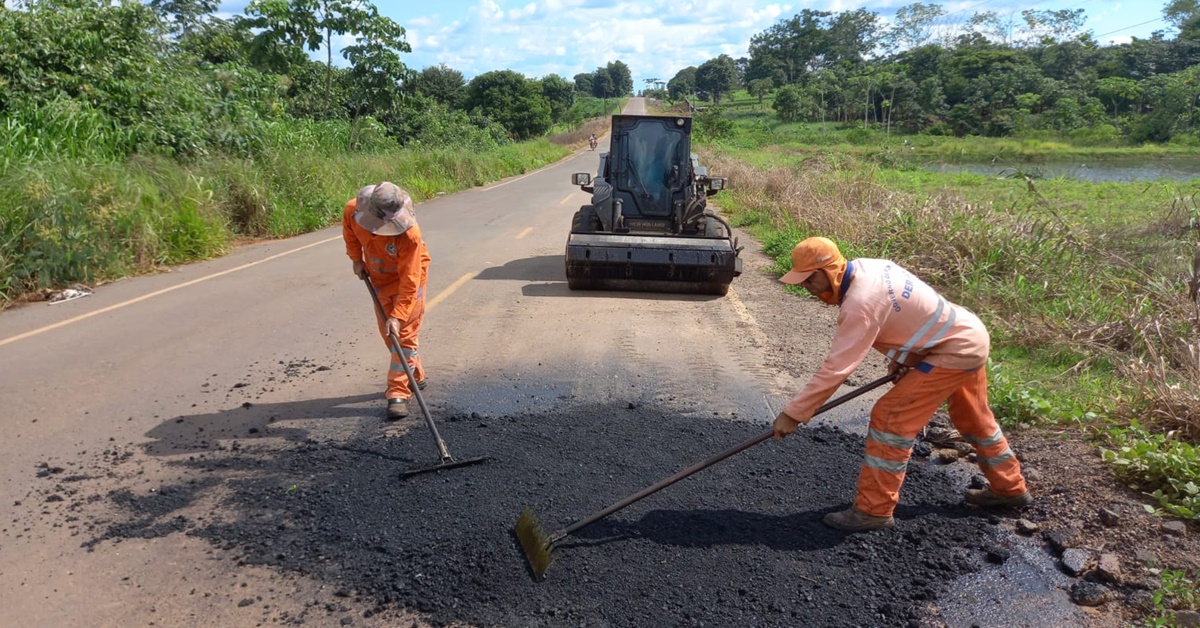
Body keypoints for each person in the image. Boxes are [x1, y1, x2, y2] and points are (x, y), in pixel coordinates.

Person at [771, 236, 1030, 532]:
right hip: (966, 334)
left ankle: (873, 510)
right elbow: (913, 312)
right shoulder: (871, 268)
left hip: (954, 350)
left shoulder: (860, 304)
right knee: (973, 416)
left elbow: (836, 368)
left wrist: (794, 413)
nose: (807, 289)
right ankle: (1009, 487)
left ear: (826, 272)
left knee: (890, 417)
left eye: (807, 281)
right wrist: (907, 359)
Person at [342, 182, 431, 421]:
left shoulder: (409, 236)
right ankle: (416, 375)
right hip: (380, 281)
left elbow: (410, 281)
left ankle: (398, 392)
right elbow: (350, 232)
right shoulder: (353, 210)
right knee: (388, 335)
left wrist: (398, 316)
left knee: (404, 336)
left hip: (408, 284)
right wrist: (356, 259)